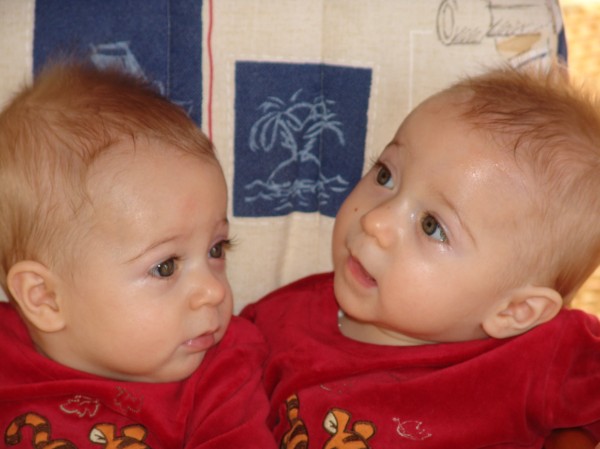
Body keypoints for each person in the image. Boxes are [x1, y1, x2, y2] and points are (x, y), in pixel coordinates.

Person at [242, 64, 600, 448]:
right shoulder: (278, 325)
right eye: (386, 176)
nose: (375, 221)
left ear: (515, 311)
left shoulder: (548, 354)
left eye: (431, 226)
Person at [0, 62, 276, 448]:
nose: (214, 291)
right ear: (44, 297)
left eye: (216, 249)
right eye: (165, 267)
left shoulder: (222, 372)